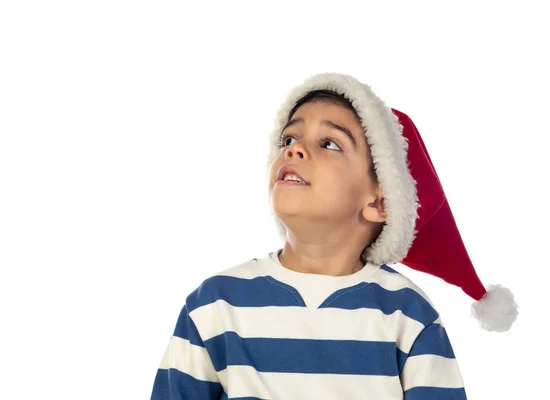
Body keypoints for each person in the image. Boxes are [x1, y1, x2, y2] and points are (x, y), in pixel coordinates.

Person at [150, 73, 519, 399]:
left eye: (330, 144)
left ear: (381, 201)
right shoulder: (214, 303)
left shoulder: (408, 315)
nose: (294, 149)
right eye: (288, 138)